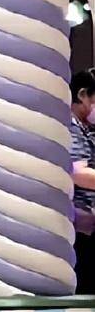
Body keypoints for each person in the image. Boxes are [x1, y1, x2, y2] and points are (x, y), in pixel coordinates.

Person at [69, 69, 95, 291]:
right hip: (79, 232)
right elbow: (78, 174)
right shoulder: (70, 127)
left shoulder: (89, 129)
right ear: (82, 95)